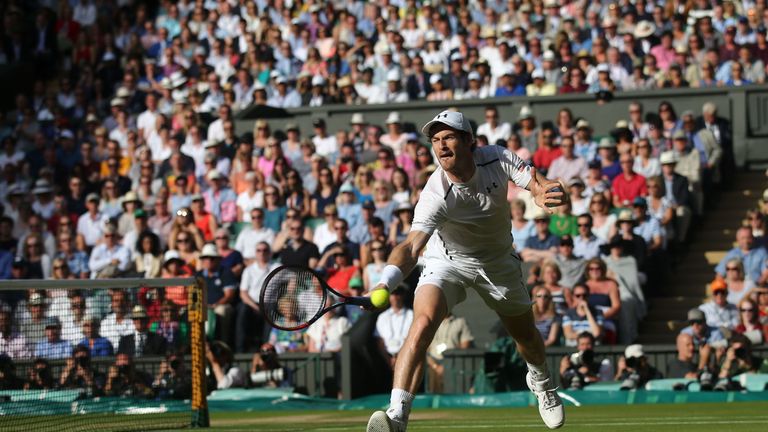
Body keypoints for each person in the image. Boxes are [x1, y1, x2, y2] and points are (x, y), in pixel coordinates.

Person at [366, 110, 565, 432]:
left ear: (470, 141)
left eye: (449, 137)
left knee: (526, 335)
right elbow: (411, 247)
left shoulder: (498, 158)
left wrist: (545, 193)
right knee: (423, 322)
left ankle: (542, 384)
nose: (441, 146)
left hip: (497, 262)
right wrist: (384, 283)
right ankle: (396, 415)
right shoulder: (435, 193)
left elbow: (539, 184)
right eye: (435, 140)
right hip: (447, 261)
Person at [237, 241, 278, 353]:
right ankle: (240, 349)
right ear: (255, 253)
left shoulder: (277, 267)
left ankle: (266, 348)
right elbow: (243, 293)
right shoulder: (248, 270)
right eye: (259, 250)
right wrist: (255, 307)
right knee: (242, 310)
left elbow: (292, 279)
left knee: (271, 309)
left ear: (270, 252)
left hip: (270, 303)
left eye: (265, 250)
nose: (262, 253)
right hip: (252, 304)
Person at [425, 314, 474, 394]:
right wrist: (435, 366)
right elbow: (426, 349)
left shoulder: (460, 321)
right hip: (433, 362)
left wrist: (447, 365)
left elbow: (465, 344)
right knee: (433, 390)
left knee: (452, 390)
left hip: (453, 362)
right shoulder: (431, 321)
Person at [374, 285, 413, 370]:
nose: (395, 297)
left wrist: (400, 358)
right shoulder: (382, 317)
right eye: (392, 294)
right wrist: (388, 360)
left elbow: (411, 339)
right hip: (386, 360)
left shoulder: (411, 315)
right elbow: (380, 342)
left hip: (406, 358)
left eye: (398, 294)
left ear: (403, 295)